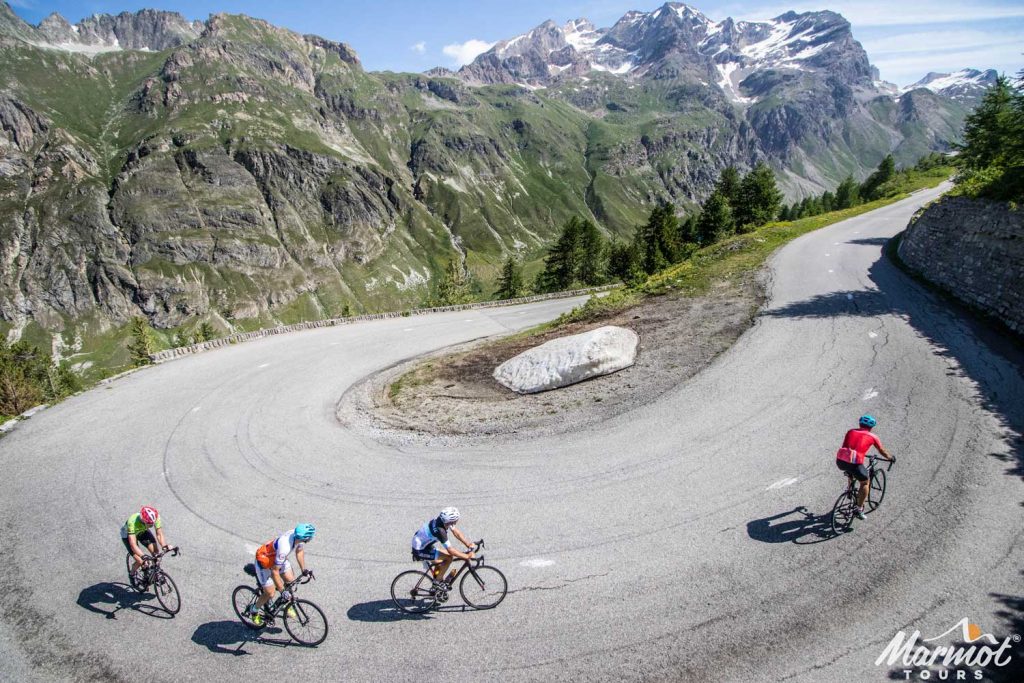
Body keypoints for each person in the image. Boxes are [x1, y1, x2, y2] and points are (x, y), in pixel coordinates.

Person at [246, 524, 315, 625]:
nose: (312, 538)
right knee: (270, 593)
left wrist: (304, 570)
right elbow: (274, 572)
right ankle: (254, 610)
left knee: (291, 581)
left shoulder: (297, 536)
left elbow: (299, 551)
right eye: (311, 537)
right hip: (265, 563)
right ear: (306, 538)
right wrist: (282, 591)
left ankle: (285, 603)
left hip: (277, 559)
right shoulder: (285, 547)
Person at [835, 415, 895, 519]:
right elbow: (882, 451)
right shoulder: (873, 437)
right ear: (871, 427)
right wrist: (890, 458)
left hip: (840, 460)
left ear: (860, 424)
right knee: (865, 482)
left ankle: (849, 490)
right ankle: (859, 509)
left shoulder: (850, 431)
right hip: (854, 462)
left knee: (851, 472)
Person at [411, 507, 476, 585]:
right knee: (449, 557)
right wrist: (467, 556)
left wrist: (468, 544)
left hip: (423, 544)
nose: (457, 521)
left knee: (440, 561)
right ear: (451, 521)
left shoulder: (443, 520)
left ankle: (437, 578)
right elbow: (450, 550)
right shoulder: (440, 531)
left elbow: (456, 533)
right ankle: (437, 583)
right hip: (419, 550)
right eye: (456, 520)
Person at [121, 505, 174, 585]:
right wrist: (142, 555)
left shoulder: (156, 517)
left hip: (142, 531)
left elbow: (159, 534)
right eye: (150, 524)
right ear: (143, 520)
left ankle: (154, 573)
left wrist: (164, 546)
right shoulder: (132, 521)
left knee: (156, 552)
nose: (152, 525)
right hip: (128, 536)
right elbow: (133, 544)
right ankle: (132, 574)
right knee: (141, 561)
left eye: (152, 524)